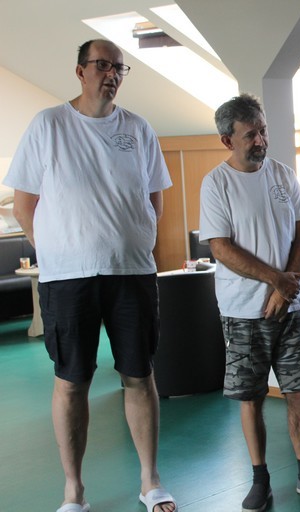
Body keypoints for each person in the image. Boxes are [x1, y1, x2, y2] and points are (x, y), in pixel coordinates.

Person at [2, 39, 176, 512]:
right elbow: (24, 205)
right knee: (71, 380)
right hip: (68, 279)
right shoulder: (49, 125)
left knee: (139, 374)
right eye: (102, 65)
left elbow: (154, 199)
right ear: (80, 71)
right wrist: (57, 251)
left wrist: (136, 239)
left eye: (119, 67)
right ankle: (74, 492)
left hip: (131, 273)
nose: (112, 74)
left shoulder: (138, 129)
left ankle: (150, 482)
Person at [198, 93, 300, 512]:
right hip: (244, 312)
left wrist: (285, 289)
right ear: (228, 140)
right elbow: (221, 248)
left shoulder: (283, 175)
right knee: (252, 397)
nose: (261, 140)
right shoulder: (216, 184)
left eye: (263, 131)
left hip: (291, 308)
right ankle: (259, 480)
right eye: (250, 134)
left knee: (298, 391)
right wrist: (275, 279)